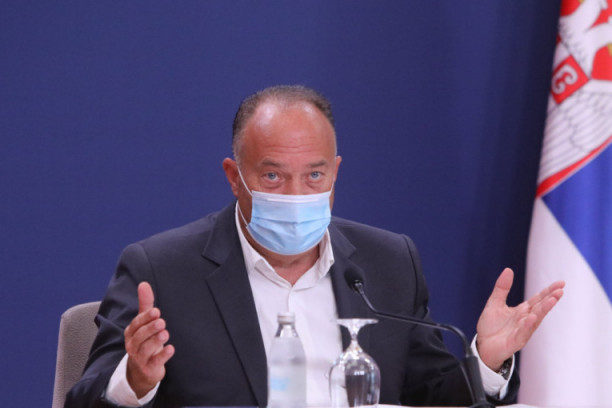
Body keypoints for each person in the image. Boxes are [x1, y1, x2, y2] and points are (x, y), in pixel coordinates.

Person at [65, 85, 564, 408]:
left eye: (314, 176)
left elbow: (433, 397)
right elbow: (84, 398)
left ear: (335, 173)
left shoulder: (388, 262)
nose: (296, 194)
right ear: (235, 177)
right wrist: (135, 380)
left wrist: (485, 362)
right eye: (273, 176)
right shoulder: (161, 270)